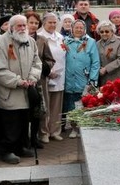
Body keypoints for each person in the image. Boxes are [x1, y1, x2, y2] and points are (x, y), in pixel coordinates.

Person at [0, 15, 42, 164]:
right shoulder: (1, 42)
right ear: (11, 27)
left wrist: (33, 77)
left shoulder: (30, 41)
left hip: (27, 91)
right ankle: (6, 150)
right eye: (18, 26)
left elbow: (36, 63)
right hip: (10, 92)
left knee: (24, 122)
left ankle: (20, 147)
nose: (22, 28)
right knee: (11, 125)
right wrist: (18, 81)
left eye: (23, 25)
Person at [63, 20, 100, 138]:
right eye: (76, 27)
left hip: (84, 79)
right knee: (71, 106)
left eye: (81, 28)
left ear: (84, 29)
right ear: (72, 29)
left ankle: (84, 127)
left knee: (84, 104)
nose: (79, 29)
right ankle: (74, 128)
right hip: (69, 79)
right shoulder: (65, 41)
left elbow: (95, 62)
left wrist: (92, 79)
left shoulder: (91, 42)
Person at [25, 11, 55, 149]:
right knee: (24, 109)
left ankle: (35, 137)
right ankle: (24, 138)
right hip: (23, 80)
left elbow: (50, 59)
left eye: (36, 23)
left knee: (38, 109)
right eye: (30, 22)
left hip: (39, 80)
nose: (33, 25)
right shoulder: (18, 38)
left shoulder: (42, 40)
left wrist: (44, 66)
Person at [37, 13, 66, 142]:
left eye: (55, 22)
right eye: (50, 22)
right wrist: (49, 71)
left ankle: (55, 131)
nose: (53, 25)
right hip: (45, 76)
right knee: (45, 105)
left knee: (56, 106)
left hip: (59, 76)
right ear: (44, 23)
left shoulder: (60, 37)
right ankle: (44, 132)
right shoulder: (40, 37)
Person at [96, 21, 120, 85]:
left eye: (107, 31)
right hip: (105, 77)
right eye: (101, 32)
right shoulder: (98, 44)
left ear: (112, 32)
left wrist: (106, 69)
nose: (104, 33)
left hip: (118, 76)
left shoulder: (119, 41)